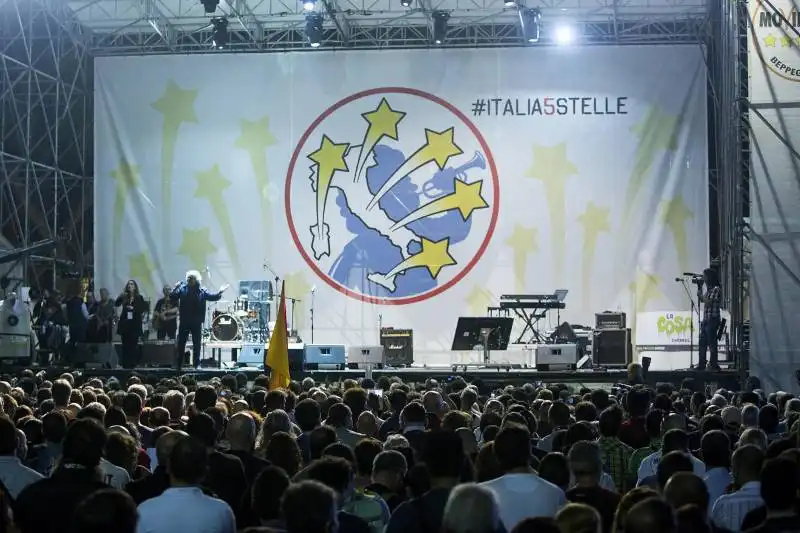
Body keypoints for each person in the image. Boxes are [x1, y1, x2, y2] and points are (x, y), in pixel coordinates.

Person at [170, 270, 227, 369]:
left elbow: (213, 297)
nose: (189, 280)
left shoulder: (202, 290)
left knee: (197, 344)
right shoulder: (182, 289)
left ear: (196, 280)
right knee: (181, 343)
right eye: (188, 278)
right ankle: (179, 364)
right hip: (184, 321)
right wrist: (175, 287)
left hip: (196, 321)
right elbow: (172, 297)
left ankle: (196, 364)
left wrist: (220, 292)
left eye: (191, 278)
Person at [114, 280, 147, 369]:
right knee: (125, 345)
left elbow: (142, 308)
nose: (130, 285)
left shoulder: (139, 297)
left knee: (133, 345)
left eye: (132, 284)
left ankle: (132, 364)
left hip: (134, 324)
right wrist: (121, 296)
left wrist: (133, 308)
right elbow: (116, 303)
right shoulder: (124, 296)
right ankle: (125, 364)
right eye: (128, 284)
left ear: (135, 287)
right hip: (125, 324)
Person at [697, 267, 721, 370]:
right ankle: (701, 364)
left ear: (709, 277)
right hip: (706, 319)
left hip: (712, 319)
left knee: (712, 343)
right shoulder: (709, 290)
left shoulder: (716, 289)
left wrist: (701, 297)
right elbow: (703, 301)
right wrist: (700, 288)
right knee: (702, 342)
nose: (703, 278)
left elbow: (709, 302)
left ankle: (713, 364)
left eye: (705, 276)